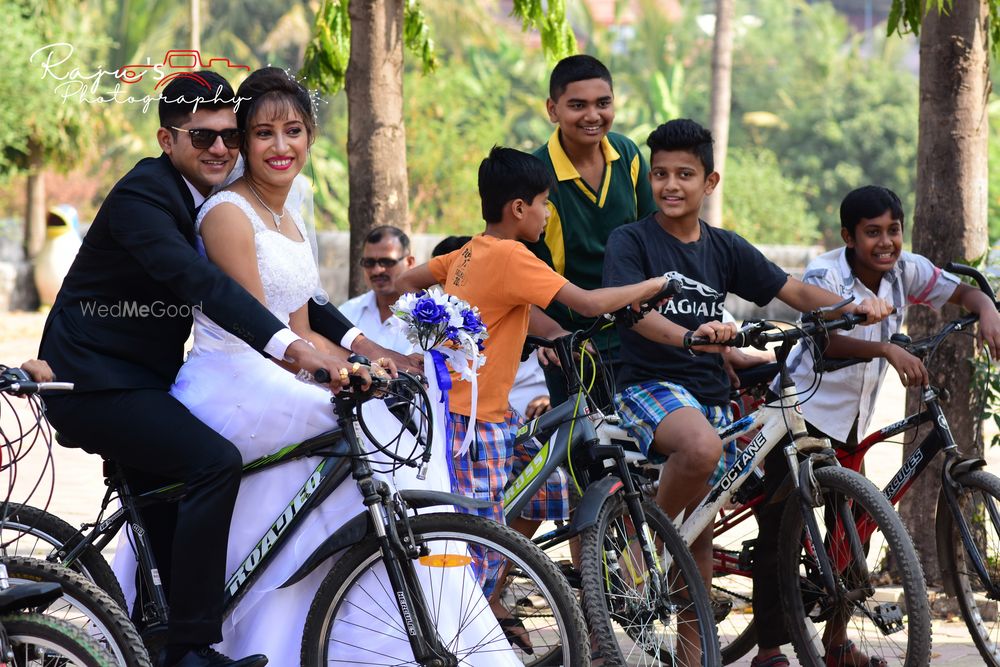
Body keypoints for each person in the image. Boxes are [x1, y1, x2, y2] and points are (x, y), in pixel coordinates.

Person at [37, 71, 377, 667]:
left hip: (150, 384)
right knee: (211, 462)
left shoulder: (218, 198)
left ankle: (157, 635)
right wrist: (296, 353)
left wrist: (363, 348)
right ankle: (194, 648)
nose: (219, 148)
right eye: (202, 137)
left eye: (228, 136)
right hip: (95, 384)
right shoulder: (145, 195)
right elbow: (199, 283)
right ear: (168, 140)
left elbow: (288, 286)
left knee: (171, 505)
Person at [602, 119, 892, 666]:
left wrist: (848, 306)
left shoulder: (723, 247)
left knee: (699, 540)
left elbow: (790, 289)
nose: (671, 185)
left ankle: (696, 658)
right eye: (660, 173)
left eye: (685, 174)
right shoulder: (632, 240)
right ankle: (644, 548)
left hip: (712, 393)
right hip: (650, 387)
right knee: (702, 452)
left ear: (708, 182)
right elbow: (630, 313)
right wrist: (690, 335)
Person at [397, 147, 666, 603]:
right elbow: (588, 302)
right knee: (479, 555)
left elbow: (411, 283)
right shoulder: (512, 257)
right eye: (544, 203)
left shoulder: (468, 252)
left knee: (557, 492)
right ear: (519, 208)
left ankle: (523, 588)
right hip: (474, 427)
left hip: (483, 418)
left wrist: (553, 335)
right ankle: (463, 637)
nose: (547, 213)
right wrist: (654, 284)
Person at [748, 185, 1000, 667]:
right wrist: (886, 348)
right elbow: (824, 342)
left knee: (853, 530)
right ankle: (768, 650)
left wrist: (987, 310)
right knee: (779, 529)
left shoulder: (905, 270)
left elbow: (958, 289)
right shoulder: (828, 274)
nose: (885, 242)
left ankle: (837, 644)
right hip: (802, 412)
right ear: (848, 236)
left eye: (893, 230)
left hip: (854, 422)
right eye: (872, 233)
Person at [525, 54, 657, 409]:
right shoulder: (534, 174)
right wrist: (551, 335)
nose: (593, 116)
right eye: (577, 105)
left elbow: (655, 238)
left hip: (639, 336)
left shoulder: (628, 154)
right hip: (573, 344)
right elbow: (514, 272)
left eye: (603, 103)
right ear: (552, 109)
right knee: (588, 455)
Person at [430, 235, 552, 419]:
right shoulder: (436, 331)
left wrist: (550, 399)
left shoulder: (518, 312)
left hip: (530, 417)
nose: (461, 288)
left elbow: (555, 333)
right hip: (472, 419)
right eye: (451, 282)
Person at [338, 225, 416, 354]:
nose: (377, 270)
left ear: (410, 262)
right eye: (369, 263)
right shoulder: (347, 313)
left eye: (387, 262)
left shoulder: (429, 319)